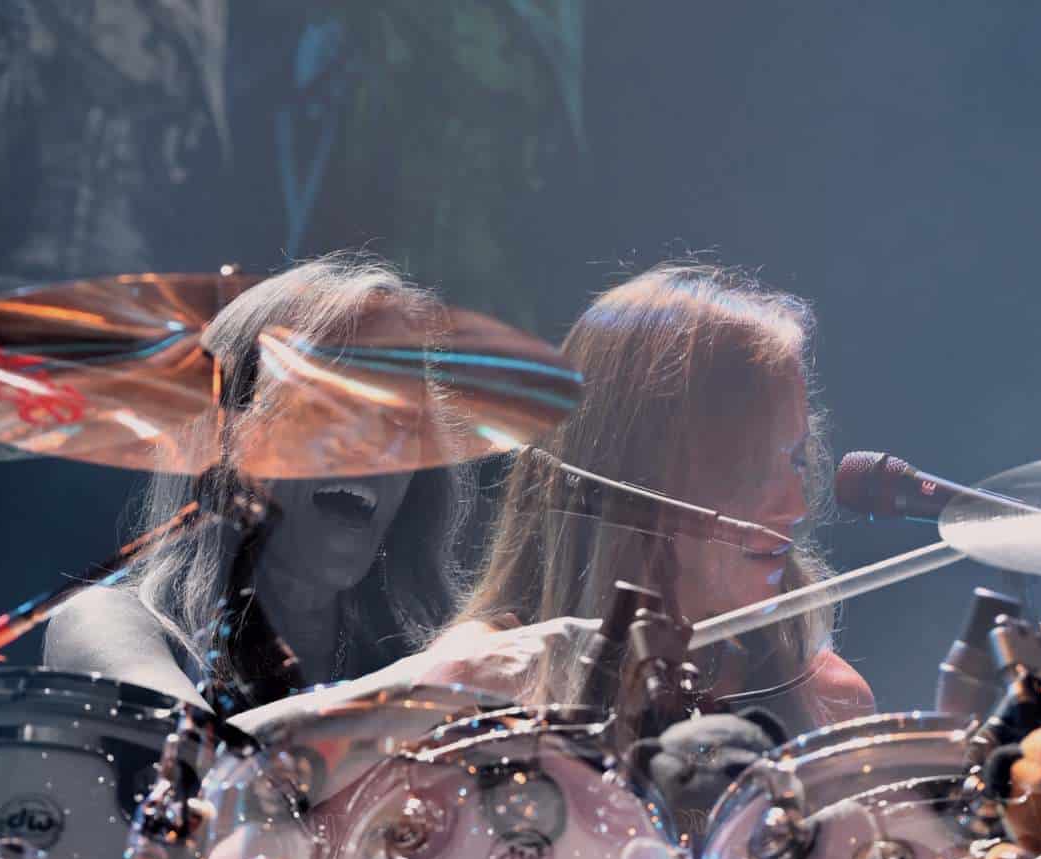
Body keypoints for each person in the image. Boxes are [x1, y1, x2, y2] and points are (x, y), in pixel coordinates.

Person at [430, 261, 874, 735]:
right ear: (639, 470)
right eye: (753, 465)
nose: (795, 506)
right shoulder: (466, 692)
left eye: (796, 461)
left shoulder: (831, 704)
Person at [44, 254, 468, 708]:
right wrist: (426, 687)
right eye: (332, 406)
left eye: (401, 419)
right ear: (229, 436)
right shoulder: (103, 624)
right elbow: (198, 747)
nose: (375, 445)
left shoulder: (421, 658)